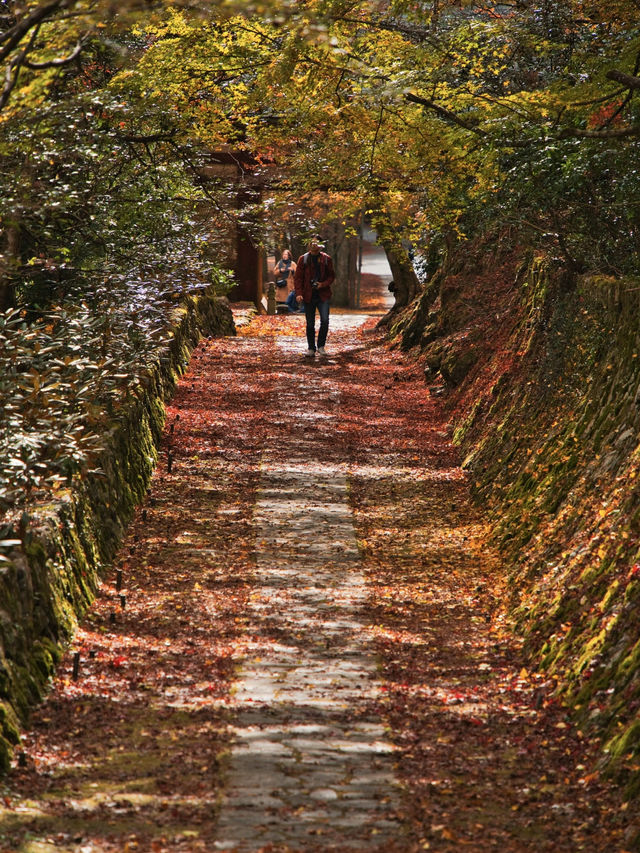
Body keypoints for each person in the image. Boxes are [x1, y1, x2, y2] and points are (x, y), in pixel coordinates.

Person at [294, 236, 335, 357]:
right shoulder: (303, 259)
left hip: (323, 295)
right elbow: (298, 278)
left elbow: (331, 276)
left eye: (316, 242)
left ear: (321, 245)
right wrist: (299, 293)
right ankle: (311, 348)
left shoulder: (326, 259)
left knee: (325, 320)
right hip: (308, 295)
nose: (314, 244)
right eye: (312, 242)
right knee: (310, 323)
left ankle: (321, 346)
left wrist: (322, 284)